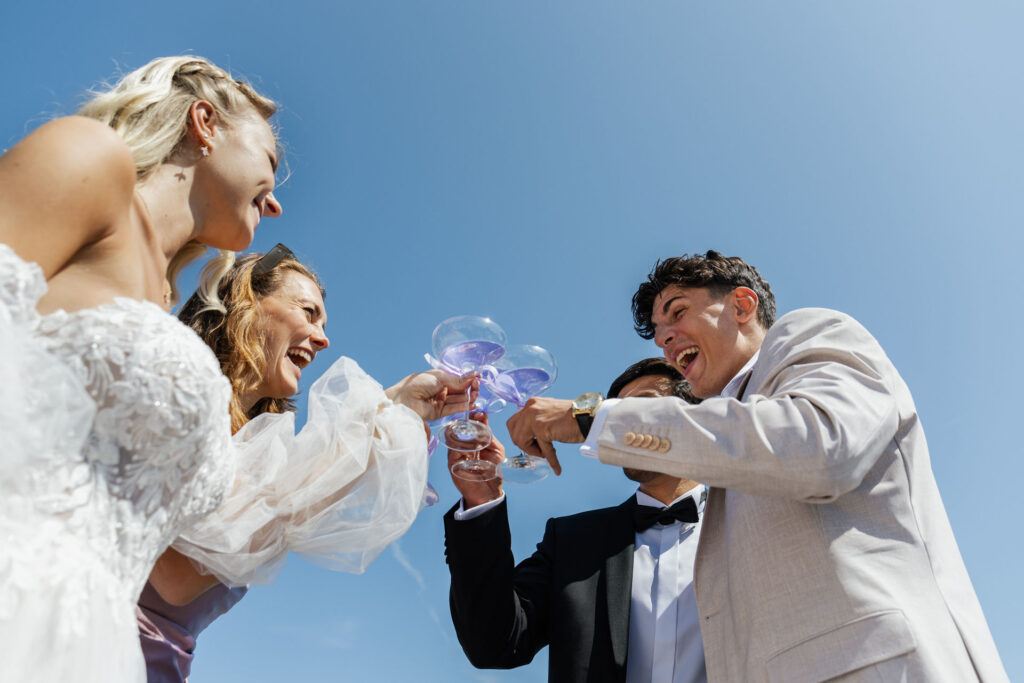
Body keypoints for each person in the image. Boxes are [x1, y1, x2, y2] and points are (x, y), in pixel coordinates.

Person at [507, 251, 1008, 681]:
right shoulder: (720, 455)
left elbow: (820, 446)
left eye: (677, 313)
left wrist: (591, 419)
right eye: (658, 336)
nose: (666, 341)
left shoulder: (808, 336)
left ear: (743, 305)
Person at [137, 246, 470, 681]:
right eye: (309, 312)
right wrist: (382, 417)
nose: (324, 338)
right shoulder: (171, 389)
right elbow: (178, 577)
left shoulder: (253, 446)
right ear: (246, 302)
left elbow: (274, 496)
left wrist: (394, 404)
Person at [445, 358, 706, 683]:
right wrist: (481, 502)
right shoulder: (573, 540)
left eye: (642, 408)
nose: (624, 425)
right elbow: (494, 643)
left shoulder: (750, 521)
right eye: (618, 413)